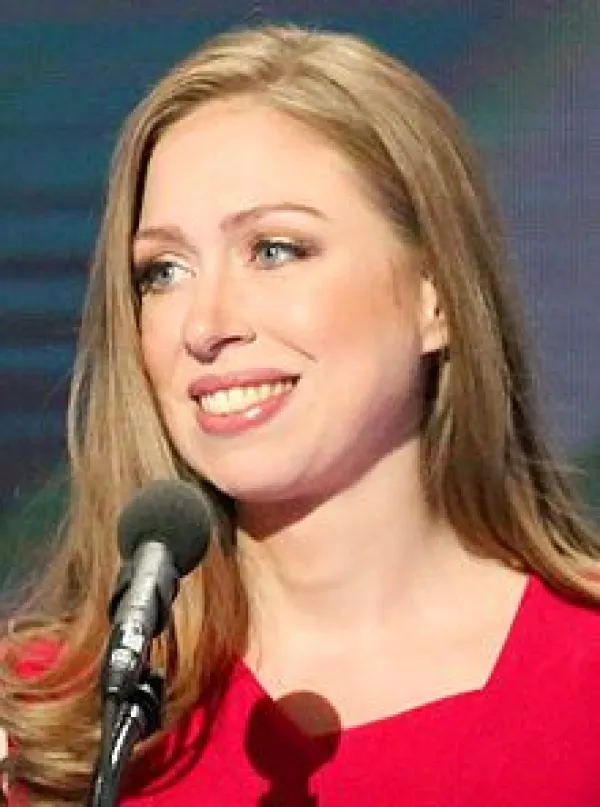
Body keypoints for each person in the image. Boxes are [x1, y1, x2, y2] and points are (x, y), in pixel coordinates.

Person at [1, 22, 599, 806]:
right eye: (164, 271)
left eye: (275, 249)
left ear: (438, 295)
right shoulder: (49, 725)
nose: (204, 323)